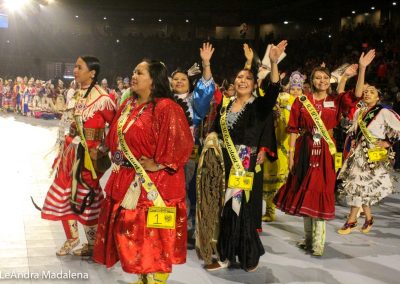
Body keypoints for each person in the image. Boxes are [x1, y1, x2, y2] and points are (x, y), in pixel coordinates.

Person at [93, 60, 193, 284]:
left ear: (154, 79)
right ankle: (143, 275)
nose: (134, 76)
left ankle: (156, 278)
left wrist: (159, 164)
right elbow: (116, 137)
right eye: (133, 72)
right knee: (132, 234)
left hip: (156, 185)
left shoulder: (166, 107)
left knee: (154, 235)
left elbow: (182, 143)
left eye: (139, 72)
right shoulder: (129, 103)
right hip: (127, 180)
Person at [273, 51, 373, 256]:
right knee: (303, 191)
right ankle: (308, 240)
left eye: (325, 78)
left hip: (325, 152)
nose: (322, 80)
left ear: (330, 81)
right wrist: (291, 155)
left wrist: (362, 69)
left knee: (320, 191)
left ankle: (318, 244)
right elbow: (292, 129)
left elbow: (356, 95)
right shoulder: (301, 101)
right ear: (312, 80)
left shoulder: (336, 101)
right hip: (304, 149)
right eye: (318, 77)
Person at [202, 41, 285, 272]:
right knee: (226, 210)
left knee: (244, 210)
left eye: (247, 78)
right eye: (239, 77)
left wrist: (275, 62)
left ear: (254, 84)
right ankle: (225, 254)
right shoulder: (225, 106)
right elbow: (216, 132)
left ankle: (250, 254)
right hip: (225, 164)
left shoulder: (259, 106)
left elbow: (275, 90)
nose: (242, 81)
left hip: (246, 165)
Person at [41, 56, 116, 256]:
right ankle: (72, 237)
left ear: (92, 72)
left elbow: (116, 126)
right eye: (75, 66)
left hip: (89, 157)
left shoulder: (103, 98)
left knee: (87, 196)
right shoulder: (74, 93)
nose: (75, 70)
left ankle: (92, 245)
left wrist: (104, 149)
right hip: (70, 151)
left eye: (79, 67)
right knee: (64, 192)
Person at [337, 52, 400, 235]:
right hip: (358, 153)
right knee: (360, 185)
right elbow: (343, 98)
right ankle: (369, 217)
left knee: (359, 184)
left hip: (373, 154)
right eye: (365, 91)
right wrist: (345, 77)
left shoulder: (383, 111)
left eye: (371, 91)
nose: (367, 93)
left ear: (378, 96)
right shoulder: (359, 112)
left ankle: (351, 220)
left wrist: (388, 142)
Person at [170, 42, 215, 238]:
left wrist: (206, 64)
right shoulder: (163, 100)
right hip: (165, 153)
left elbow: (206, 91)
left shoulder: (194, 101)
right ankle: (168, 226)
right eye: (176, 79)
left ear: (189, 83)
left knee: (189, 189)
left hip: (189, 152)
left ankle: (188, 228)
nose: (179, 82)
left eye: (183, 79)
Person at [262, 71, 304, 222]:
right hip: (277, 144)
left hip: (295, 146)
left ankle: (290, 206)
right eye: (293, 88)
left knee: (289, 179)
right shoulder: (282, 99)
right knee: (271, 176)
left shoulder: (305, 104)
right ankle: (269, 210)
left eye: (298, 89)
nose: (295, 91)